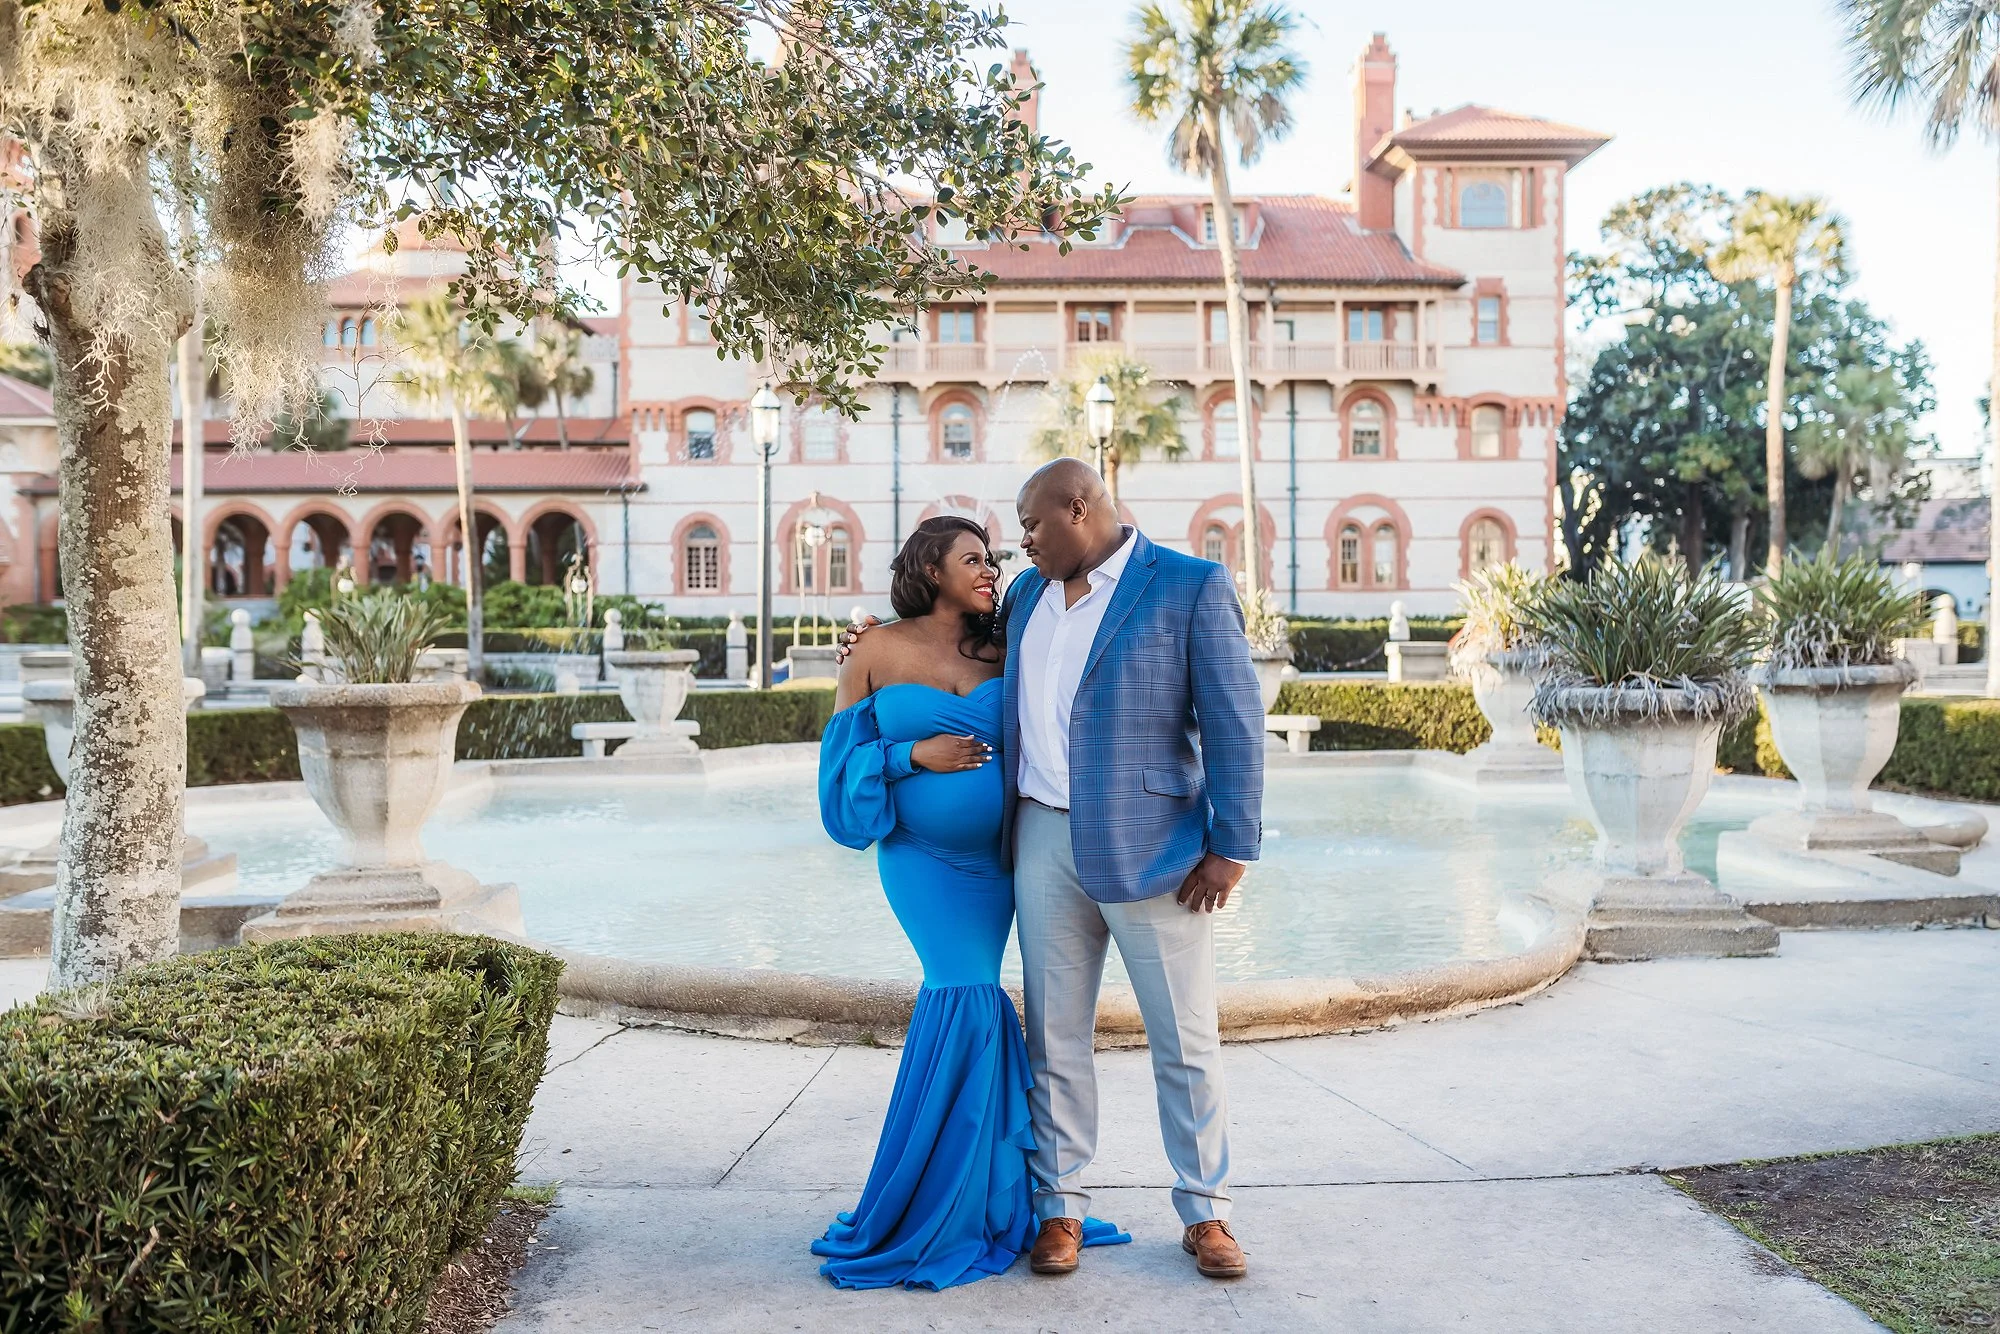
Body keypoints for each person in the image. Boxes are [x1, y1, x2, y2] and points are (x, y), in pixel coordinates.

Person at [841, 460, 1266, 1282]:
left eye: (1031, 526)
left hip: (1159, 853)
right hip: (1037, 840)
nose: (1020, 545)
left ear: (1080, 508)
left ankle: (1206, 1212)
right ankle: (1058, 1209)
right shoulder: (1029, 600)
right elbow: (935, 656)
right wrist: (870, 645)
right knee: (1055, 1037)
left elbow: (1236, 723)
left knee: (1184, 1038)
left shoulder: (1189, 586)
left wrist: (1232, 847)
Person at [813, 514, 1128, 1290]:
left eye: (991, 558)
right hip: (923, 861)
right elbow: (835, 770)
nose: (990, 569)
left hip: (1002, 860)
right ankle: (930, 1205)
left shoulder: (1008, 641)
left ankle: (993, 1194)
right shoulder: (875, 649)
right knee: (962, 992)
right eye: (972, 559)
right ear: (930, 568)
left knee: (984, 1001)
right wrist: (911, 753)